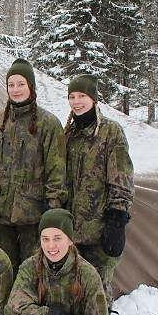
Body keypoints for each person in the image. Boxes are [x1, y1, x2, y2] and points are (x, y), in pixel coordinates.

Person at [0, 58, 68, 274]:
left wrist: (53, 209)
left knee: (34, 271)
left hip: (33, 215)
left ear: (31, 86)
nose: (16, 90)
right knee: (3, 270)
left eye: (21, 84)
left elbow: (57, 170)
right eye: (11, 85)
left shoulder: (48, 123)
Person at [64, 74, 134, 301]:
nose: (76, 102)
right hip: (71, 232)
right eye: (72, 97)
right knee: (72, 292)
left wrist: (116, 222)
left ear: (93, 99)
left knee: (97, 293)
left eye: (82, 96)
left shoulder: (110, 132)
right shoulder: (68, 134)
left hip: (99, 230)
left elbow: (121, 178)